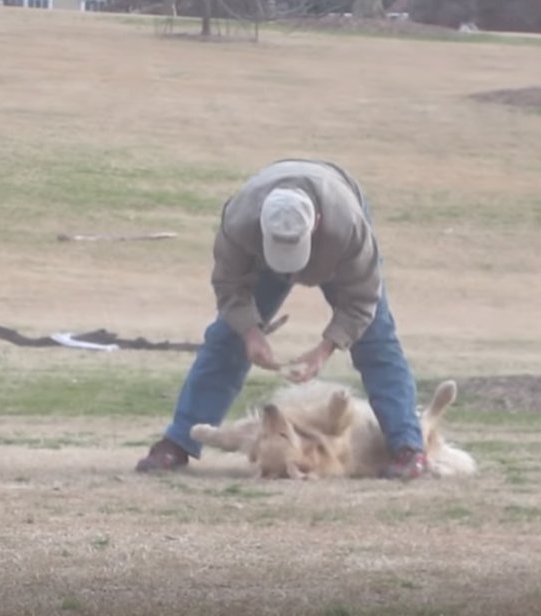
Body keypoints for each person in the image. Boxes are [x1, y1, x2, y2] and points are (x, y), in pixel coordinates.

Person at [134, 159, 430, 481]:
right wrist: (249, 332)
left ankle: (408, 448)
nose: (291, 269)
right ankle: (177, 442)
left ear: (315, 223)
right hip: (261, 261)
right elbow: (229, 286)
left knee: (376, 342)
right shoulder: (239, 221)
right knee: (225, 340)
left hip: (336, 247)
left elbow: (362, 300)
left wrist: (325, 350)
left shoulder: (349, 226)